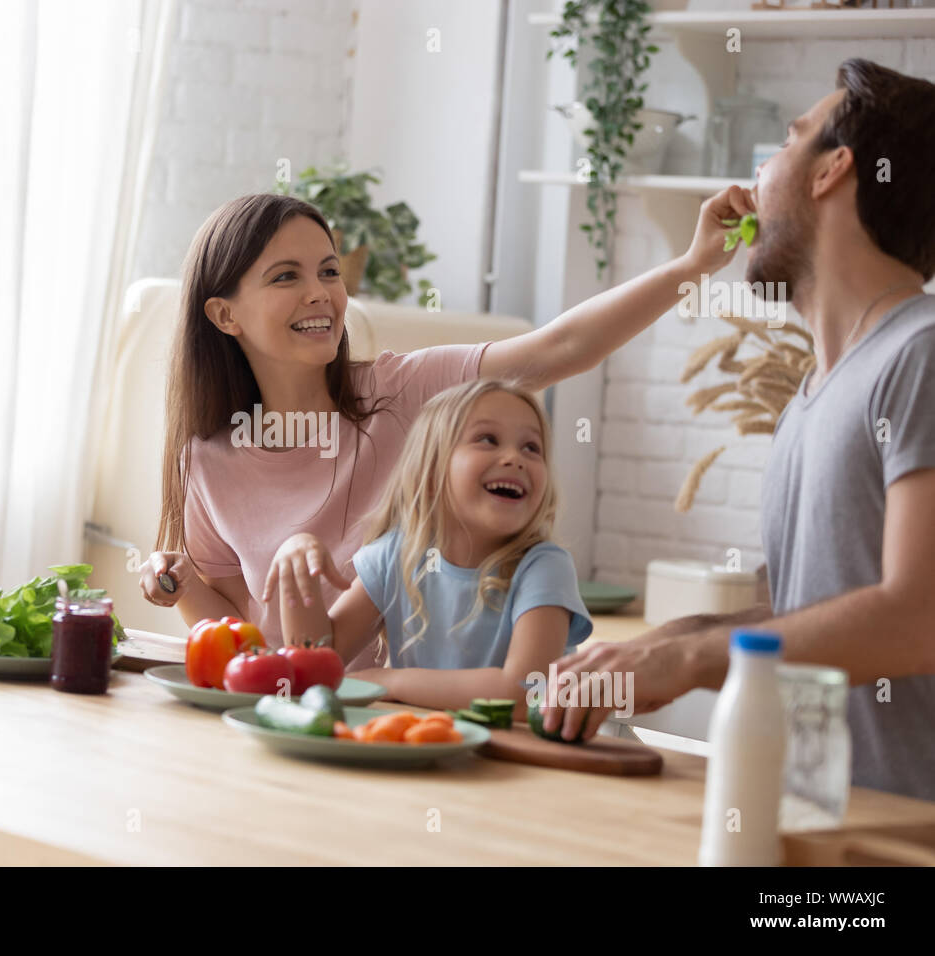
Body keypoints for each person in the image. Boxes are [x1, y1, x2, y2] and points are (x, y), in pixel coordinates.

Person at [539, 59, 935, 801]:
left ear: (833, 170)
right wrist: (672, 640)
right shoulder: (816, 393)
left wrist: (694, 662)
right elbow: (822, 609)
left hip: (903, 835)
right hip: (815, 823)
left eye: (787, 141)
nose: (759, 176)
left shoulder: (921, 357)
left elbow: (917, 618)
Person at [140, 188, 749, 667]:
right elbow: (230, 623)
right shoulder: (208, 459)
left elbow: (561, 348)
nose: (320, 293)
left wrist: (694, 265)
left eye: (328, 271)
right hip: (291, 707)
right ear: (224, 315)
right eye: (286, 277)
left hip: (407, 706)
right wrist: (181, 585)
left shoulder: (405, 389)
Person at [277, 378, 591, 710]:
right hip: (422, 746)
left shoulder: (544, 567)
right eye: (488, 439)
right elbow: (316, 663)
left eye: (532, 447)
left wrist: (391, 681)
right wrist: (294, 566)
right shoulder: (395, 555)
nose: (515, 457)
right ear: (430, 475)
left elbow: (524, 690)